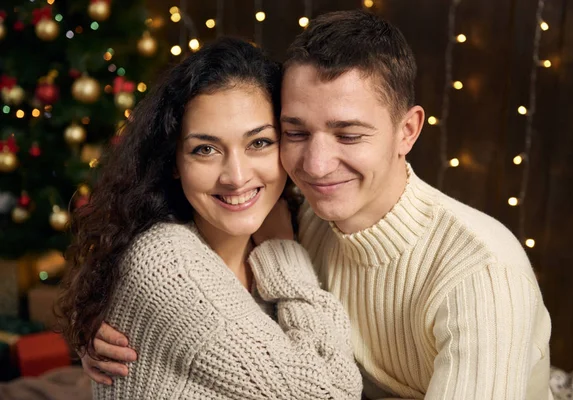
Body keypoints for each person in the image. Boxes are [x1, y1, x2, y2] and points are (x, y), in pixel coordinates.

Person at [83, 10, 553, 400]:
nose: (317, 165)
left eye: (348, 134)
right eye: (296, 133)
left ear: (407, 131)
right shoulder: (293, 221)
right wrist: (106, 326)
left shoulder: (480, 271)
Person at [57, 37, 362, 400]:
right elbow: (333, 392)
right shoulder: (169, 261)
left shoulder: (288, 226)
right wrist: (283, 251)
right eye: (205, 149)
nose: (235, 175)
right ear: (174, 162)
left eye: (259, 143)